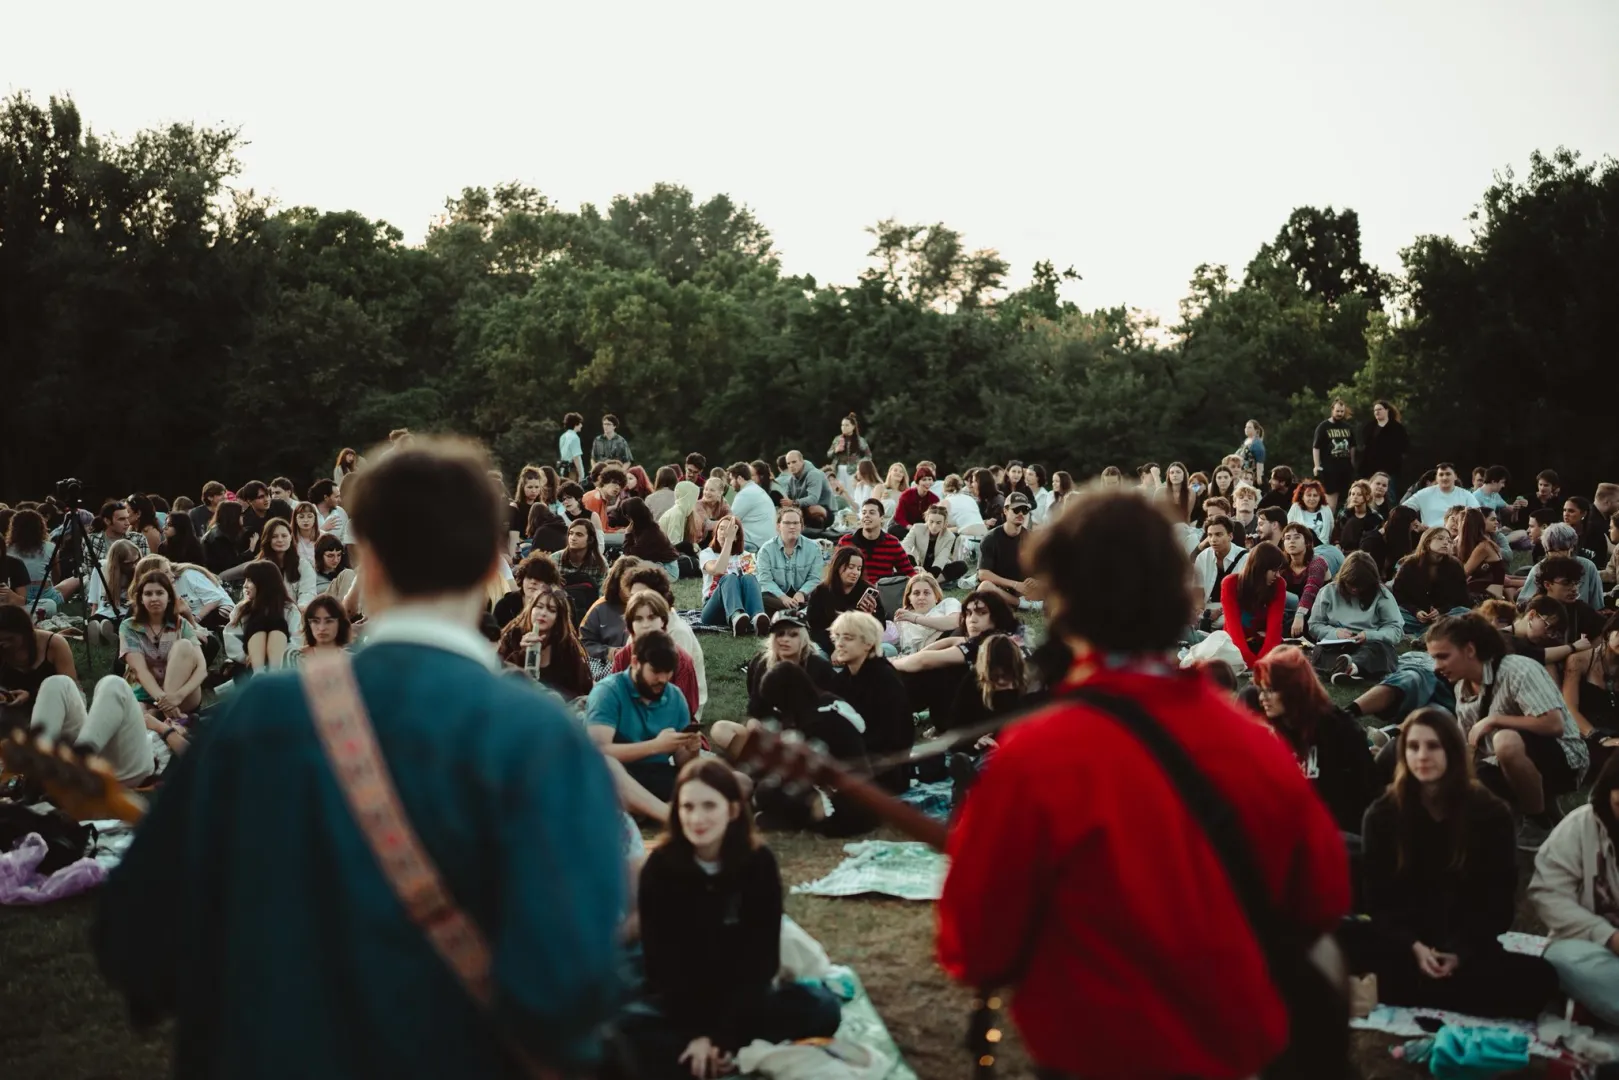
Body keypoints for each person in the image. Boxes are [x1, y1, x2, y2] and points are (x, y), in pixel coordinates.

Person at [96, 438, 626, 1076]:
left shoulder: (257, 717)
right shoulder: (541, 737)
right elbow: (568, 987)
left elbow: (135, 941)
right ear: (495, 564)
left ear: (365, 564)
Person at [937, 487, 1348, 1079]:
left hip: (1097, 1056)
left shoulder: (1036, 756)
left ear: (1062, 603)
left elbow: (973, 948)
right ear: (1180, 597)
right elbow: (1323, 897)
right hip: (1237, 1055)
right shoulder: (1254, 741)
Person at [627, 760, 842, 1079]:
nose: (697, 818)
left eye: (709, 806)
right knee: (625, 1028)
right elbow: (662, 965)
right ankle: (713, 1053)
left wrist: (721, 1037)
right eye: (687, 806)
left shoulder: (758, 862)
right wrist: (696, 1033)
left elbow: (761, 961)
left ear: (732, 810)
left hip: (742, 993)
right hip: (681, 994)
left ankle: (713, 1055)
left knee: (821, 1007)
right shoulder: (660, 867)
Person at [1343, 708, 1559, 1019]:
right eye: (1413, 747)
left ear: (1453, 752)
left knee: (1541, 977)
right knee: (1339, 941)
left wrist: (1459, 952)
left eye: (1433, 746)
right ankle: (1426, 988)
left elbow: (1497, 905)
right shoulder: (1383, 814)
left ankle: (1402, 990)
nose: (1422, 755)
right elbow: (1380, 902)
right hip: (1403, 943)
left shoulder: (1489, 813)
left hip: (1466, 944)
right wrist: (1414, 946)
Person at [1427, 612, 1590, 850]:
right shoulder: (1462, 687)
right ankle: (1546, 811)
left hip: (1565, 758)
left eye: (1443, 657)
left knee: (1505, 739)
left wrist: (1494, 720)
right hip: (1500, 761)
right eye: (1434, 658)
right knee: (1460, 799)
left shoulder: (1518, 669)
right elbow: (1470, 747)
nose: (1436, 667)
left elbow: (1554, 725)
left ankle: (1538, 823)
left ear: (1470, 650)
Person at [1529, 753, 1619, 1028]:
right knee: (1560, 959)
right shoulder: (1581, 826)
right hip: (1592, 949)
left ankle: (1595, 1007)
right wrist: (1609, 937)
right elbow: (1548, 893)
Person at [1252, 646, 1379, 832]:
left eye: (1270, 690)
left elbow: (1366, 789)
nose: (1263, 698)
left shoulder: (1337, 727)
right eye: (1261, 690)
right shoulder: (1272, 730)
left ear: (1293, 689)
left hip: (1337, 833)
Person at [586, 628, 699, 803]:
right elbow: (598, 753)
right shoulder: (608, 692)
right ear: (635, 662)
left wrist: (691, 750)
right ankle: (662, 812)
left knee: (729, 782)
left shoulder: (675, 697)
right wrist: (656, 746)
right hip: (616, 774)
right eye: (655, 671)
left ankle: (645, 808)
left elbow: (682, 761)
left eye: (668, 672)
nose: (663, 679)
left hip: (658, 773)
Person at [827, 611, 914, 793]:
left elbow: (895, 737)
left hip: (884, 767)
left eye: (848, 638)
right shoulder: (841, 680)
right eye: (837, 637)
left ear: (867, 643)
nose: (839, 644)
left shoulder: (885, 679)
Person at [1307, 551, 1404, 681]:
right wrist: (1335, 633)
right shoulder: (1328, 592)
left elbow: (1396, 629)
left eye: (1360, 587)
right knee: (1321, 650)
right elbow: (1314, 625)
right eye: (1350, 584)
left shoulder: (1382, 595)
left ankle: (1351, 667)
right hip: (1336, 643)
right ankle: (1348, 670)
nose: (1354, 590)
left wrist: (1369, 635)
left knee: (1379, 650)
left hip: (1370, 642)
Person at [609, 591, 701, 725]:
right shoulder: (622, 657)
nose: (646, 624)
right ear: (631, 624)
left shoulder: (681, 659)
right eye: (638, 619)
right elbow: (615, 699)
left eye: (652, 617)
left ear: (663, 621)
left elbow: (686, 709)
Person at [736, 611, 836, 720]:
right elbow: (755, 706)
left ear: (803, 639)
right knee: (722, 728)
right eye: (780, 634)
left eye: (793, 635)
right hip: (771, 724)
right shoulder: (760, 662)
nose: (785, 639)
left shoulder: (820, 667)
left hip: (809, 726)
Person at [1220, 540, 1288, 670]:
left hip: (1264, 643)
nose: (1278, 575)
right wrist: (1253, 663)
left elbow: (1274, 629)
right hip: (1235, 644)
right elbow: (1233, 629)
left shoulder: (1279, 585)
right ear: (1260, 568)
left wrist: (1261, 661)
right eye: (1274, 570)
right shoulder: (1230, 584)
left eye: (1279, 571)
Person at [1391, 527, 1472, 634]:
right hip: (1414, 616)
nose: (1445, 543)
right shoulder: (1409, 564)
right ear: (1427, 542)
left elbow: (1461, 597)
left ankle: (1428, 632)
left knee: (1466, 613)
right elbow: (1398, 595)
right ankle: (1433, 631)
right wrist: (1416, 611)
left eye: (1448, 540)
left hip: (1444, 616)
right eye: (1440, 538)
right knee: (1395, 615)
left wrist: (1441, 611)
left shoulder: (1455, 565)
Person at [806, 546, 883, 654]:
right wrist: (835, 650)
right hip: (829, 645)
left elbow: (881, 626)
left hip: (861, 646)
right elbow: (815, 630)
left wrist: (869, 617)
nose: (855, 572)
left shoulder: (867, 591)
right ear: (838, 566)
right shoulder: (820, 592)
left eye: (859, 569)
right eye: (851, 567)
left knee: (888, 649)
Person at [699, 516, 768, 636]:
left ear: (737, 536)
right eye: (721, 529)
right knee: (729, 577)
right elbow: (718, 570)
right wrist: (728, 542)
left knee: (749, 577)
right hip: (714, 610)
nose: (724, 533)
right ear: (715, 533)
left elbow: (753, 586)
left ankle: (757, 617)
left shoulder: (746, 556)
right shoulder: (707, 553)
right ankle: (736, 617)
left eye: (729, 531)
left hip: (743, 606)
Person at [974, 491, 1041, 609]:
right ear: (1005, 511)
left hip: (1023, 589)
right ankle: (1023, 605)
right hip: (1000, 587)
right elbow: (983, 574)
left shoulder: (1031, 538)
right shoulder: (991, 538)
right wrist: (1015, 585)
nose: (1021, 513)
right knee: (984, 587)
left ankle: (1029, 602)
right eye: (1016, 510)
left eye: (1025, 510)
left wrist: (1035, 580)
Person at [754, 504, 824, 615]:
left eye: (796, 523)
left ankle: (791, 614)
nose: (792, 526)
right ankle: (801, 613)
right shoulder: (766, 549)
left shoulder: (813, 548)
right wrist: (783, 597)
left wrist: (802, 593)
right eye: (787, 523)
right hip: (776, 597)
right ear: (778, 526)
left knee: (823, 595)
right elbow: (765, 580)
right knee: (760, 597)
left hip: (803, 597)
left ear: (801, 526)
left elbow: (815, 578)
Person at [229, 561, 293, 671]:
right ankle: (258, 675)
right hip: (250, 663)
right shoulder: (241, 609)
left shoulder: (289, 609)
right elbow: (231, 637)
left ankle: (274, 674)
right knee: (257, 624)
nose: (245, 585)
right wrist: (245, 656)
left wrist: (278, 656)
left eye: (249, 580)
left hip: (282, 663)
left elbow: (297, 639)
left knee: (277, 624)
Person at [836, 497, 915, 585]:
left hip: (882, 593)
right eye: (864, 513)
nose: (866, 515)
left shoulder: (892, 543)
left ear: (881, 518)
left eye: (872, 512)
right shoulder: (846, 541)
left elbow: (908, 572)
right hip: (852, 591)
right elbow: (835, 570)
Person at [581, 555, 643, 661]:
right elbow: (583, 643)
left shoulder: (653, 605)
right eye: (627, 582)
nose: (632, 588)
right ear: (616, 582)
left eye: (636, 582)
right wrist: (609, 652)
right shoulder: (599, 608)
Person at [1193, 515, 1248, 629]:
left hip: (1234, 607)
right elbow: (1198, 593)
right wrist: (1200, 612)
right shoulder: (1203, 557)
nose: (1213, 539)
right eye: (1210, 535)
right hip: (1208, 606)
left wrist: (1219, 611)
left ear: (1230, 536)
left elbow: (1246, 597)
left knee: (1226, 620)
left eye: (1218, 534)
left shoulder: (1245, 558)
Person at [255, 517, 319, 611]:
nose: (280, 540)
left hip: (297, 614)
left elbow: (308, 593)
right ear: (267, 539)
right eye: (274, 536)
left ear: (290, 537)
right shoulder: (259, 567)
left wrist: (299, 610)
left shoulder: (303, 565)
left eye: (284, 536)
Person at [890, 572, 962, 655]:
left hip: (948, 650)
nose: (921, 597)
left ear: (936, 596)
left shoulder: (948, 603)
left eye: (926, 593)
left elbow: (955, 622)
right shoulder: (903, 618)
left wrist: (915, 619)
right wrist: (940, 630)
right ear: (909, 598)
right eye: (916, 593)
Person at [1279, 522, 1330, 639]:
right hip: (1291, 610)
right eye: (1287, 538)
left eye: (1297, 537)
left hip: (1319, 610)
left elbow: (1311, 590)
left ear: (1307, 542)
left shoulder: (1317, 562)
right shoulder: (1282, 564)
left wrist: (1300, 614)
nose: (1292, 541)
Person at [901, 503, 968, 586]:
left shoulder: (950, 536)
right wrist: (915, 566)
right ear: (926, 520)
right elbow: (905, 546)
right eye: (931, 521)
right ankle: (923, 581)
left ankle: (929, 582)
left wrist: (931, 575)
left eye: (938, 523)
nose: (934, 526)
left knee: (961, 566)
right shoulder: (917, 528)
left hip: (936, 569)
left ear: (945, 523)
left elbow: (942, 558)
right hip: (917, 567)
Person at [620, 497, 682, 581]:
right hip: (660, 566)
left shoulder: (650, 533)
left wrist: (628, 534)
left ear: (631, 517)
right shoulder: (647, 528)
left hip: (668, 571)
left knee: (627, 564)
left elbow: (630, 555)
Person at [1402, 462, 1480, 528]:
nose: (1444, 477)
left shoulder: (1466, 495)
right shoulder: (1424, 493)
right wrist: (1414, 522)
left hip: (1457, 538)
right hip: (1430, 536)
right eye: (1441, 475)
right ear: (1436, 478)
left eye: (1448, 474)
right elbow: (1402, 509)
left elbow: (1478, 515)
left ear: (1455, 476)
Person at [1359, 400, 1410, 495]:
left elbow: (1404, 448)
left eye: (1380, 409)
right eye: (1375, 410)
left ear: (1387, 410)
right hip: (1370, 469)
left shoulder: (1397, 428)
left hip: (1390, 469)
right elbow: (1365, 447)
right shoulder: (1369, 427)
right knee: (1369, 494)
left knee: (1389, 494)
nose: (1377, 412)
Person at [1362, 504, 1420, 582]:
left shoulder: (1396, 540)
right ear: (1403, 526)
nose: (1414, 529)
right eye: (1412, 525)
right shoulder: (1372, 541)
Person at [725, 462, 775, 552]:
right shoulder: (756, 490)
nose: (731, 483)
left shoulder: (745, 494)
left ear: (739, 478)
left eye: (731, 479)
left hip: (754, 544)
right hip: (766, 542)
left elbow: (730, 521)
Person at [782, 449, 835, 528]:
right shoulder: (791, 480)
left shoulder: (814, 474)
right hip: (803, 510)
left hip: (824, 511)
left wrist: (793, 503)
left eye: (794, 462)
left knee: (812, 509)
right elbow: (788, 499)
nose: (791, 466)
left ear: (802, 461)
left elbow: (813, 499)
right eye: (788, 463)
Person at [1287, 479, 1335, 547]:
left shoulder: (1326, 509)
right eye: (1309, 495)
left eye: (1315, 495)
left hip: (1322, 548)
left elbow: (1331, 529)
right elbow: (1289, 528)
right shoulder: (1295, 508)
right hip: (1301, 547)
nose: (1312, 499)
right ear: (1302, 497)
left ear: (1320, 497)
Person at [894, 466, 940, 530]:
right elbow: (899, 517)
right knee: (894, 529)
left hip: (925, 529)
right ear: (918, 481)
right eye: (924, 480)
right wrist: (910, 527)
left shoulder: (934, 499)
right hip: (908, 527)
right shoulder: (906, 495)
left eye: (930, 479)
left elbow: (934, 519)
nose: (927, 482)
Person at [559, 410, 586, 479]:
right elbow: (576, 457)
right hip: (572, 471)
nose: (581, 425)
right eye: (580, 423)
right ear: (575, 424)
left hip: (563, 469)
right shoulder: (574, 437)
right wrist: (581, 474)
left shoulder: (563, 436)